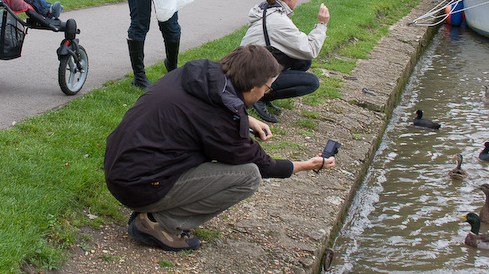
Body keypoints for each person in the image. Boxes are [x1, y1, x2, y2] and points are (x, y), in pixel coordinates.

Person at [104, 44, 336, 251]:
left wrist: (248, 119)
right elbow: (261, 163)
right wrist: (305, 165)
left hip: (122, 168)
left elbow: (217, 110)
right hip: (138, 185)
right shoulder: (220, 118)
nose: (265, 93)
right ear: (253, 84)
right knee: (248, 176)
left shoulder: (198, 75)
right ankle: (159, 223)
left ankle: (157, 209)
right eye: (266, 87)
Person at [239, 0, 329, 123]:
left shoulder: (268, 9)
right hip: (251, 77)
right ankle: (259, 96)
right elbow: (311, 49)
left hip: (247, 68)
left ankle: (263, 93)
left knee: (303, 61)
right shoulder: (278, 20)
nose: (298, 0)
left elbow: (301, 50)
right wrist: (322, 25)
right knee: (312, 82)